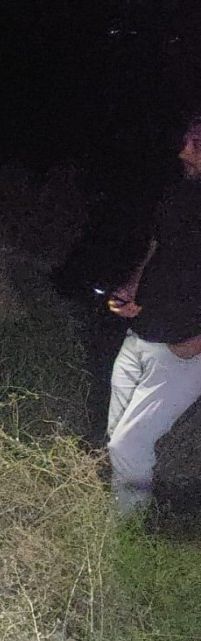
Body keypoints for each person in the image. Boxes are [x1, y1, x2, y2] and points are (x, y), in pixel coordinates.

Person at [106, 118, 201, 516]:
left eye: (197, 141)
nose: (185, 148)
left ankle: (129, 531)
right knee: (117, 436)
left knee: (128, 444)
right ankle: (117, 513)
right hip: (143, 329)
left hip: (185, 346)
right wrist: (132, 287)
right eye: (188, 138)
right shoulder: (181, 192)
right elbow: (157, 246)